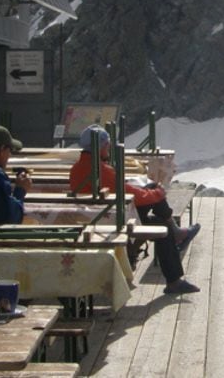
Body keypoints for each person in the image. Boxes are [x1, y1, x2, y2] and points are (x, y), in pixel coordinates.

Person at [69, 124, 200, 295]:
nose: (108, 147)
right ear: (100, 147)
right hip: (113, 220)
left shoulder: (77, 169)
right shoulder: (101, 170)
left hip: (97, 217)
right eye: (107, 144)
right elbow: (131, 195)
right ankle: (174, 277)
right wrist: (157, 193)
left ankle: (174, 244)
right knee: (157, 201)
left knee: (161, 225)